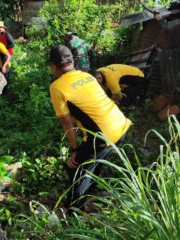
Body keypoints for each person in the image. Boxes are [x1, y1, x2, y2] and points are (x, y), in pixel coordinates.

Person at [48, 45, 131, 207]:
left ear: (54, 66)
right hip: (121, 124)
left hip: (103, 135)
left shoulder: (57, 87)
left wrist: (75, 150)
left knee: (75, 167)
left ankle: (73, 209)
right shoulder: (88, 76)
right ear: (72, 62)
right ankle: (91, 186)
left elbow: (66, 122)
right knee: (96, 162)